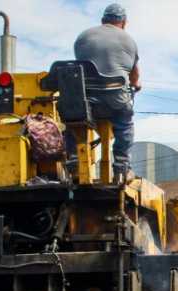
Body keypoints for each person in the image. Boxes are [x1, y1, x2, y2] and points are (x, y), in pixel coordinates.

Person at [64, 3, 142, 181]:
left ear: (102, 21)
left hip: (86, 100)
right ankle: (122, 168)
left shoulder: (83, 36)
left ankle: (74, 162)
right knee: (125, 124)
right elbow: (134, 75)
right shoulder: (128, 40)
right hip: (115, 100)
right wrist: (136, 85)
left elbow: (82, 66)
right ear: (123, 23)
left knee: (72, 122)